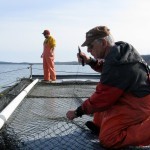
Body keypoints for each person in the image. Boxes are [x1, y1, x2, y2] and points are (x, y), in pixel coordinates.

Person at [66, 26, 150, 149]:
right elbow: (109, 69)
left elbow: (102, 98)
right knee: (99, 116)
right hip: (129, 94)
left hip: (139, 101)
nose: (89, 50)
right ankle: (101, 125)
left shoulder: (117, 63)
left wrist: (78, 112)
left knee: (109, 139)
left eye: (91, 46)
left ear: (104, 43)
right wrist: (90, 61)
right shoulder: (118, 52)